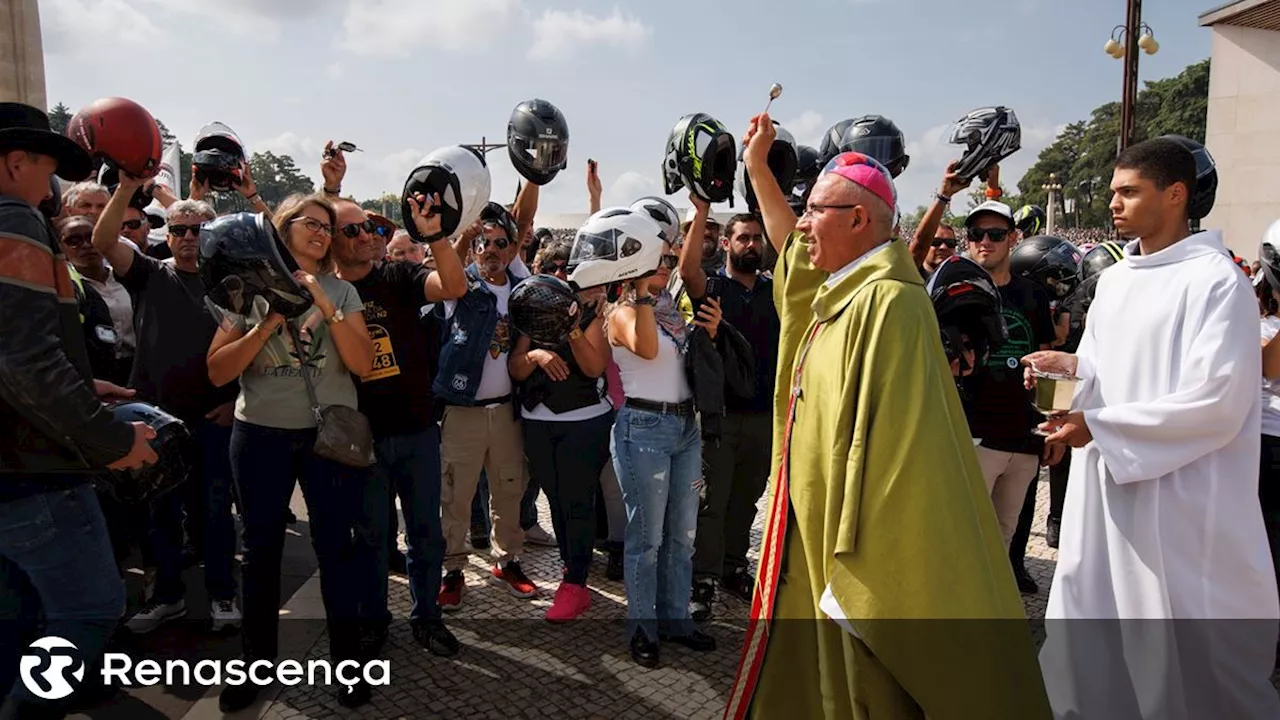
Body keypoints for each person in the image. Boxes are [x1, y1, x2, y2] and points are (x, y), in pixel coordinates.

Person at [723, 113, 1049, 720]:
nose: (803, 224)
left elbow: (906, 456)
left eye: (816, 210)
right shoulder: (835, 289)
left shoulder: (892, 305)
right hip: (811, 532)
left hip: (851, 551)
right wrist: (756, 168)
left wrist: (863, 566)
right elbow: (789, 244)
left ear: (857, 220)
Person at [1029, 138, 1280, 720]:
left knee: (1179, 651)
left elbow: (1217, 402)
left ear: (1175, 195)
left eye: (1127, 191)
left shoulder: (1218, 282)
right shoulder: (1116, 280)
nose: (1113, 203)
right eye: (1114, 191)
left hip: (1181, 501)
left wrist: (1101, 429)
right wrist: (1071, 371)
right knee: (1091, 625)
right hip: (1107, 489)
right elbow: (1102, 370)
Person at [0, 102, 156, 719]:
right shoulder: (13, 220)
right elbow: (26, 366)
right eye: (47, 168)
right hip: (33, 472)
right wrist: (112, 442)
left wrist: (84, 382)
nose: (54, 184)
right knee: (91, 609)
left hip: (14, 467)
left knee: (17, 617)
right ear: (15, 162)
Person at [206, 193, 377, 711]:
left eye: (329, 226)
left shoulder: (343, 290)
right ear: (281, 229)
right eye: (312, 223)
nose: (323, 233)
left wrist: (325, 305)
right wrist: (267, 323)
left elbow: (363, 365)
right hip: (259, 434)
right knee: (260, 555)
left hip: (326, 439)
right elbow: (217, 371)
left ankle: (349, 667)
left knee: (337, 551)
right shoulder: (246, 291)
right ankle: (254, 668)